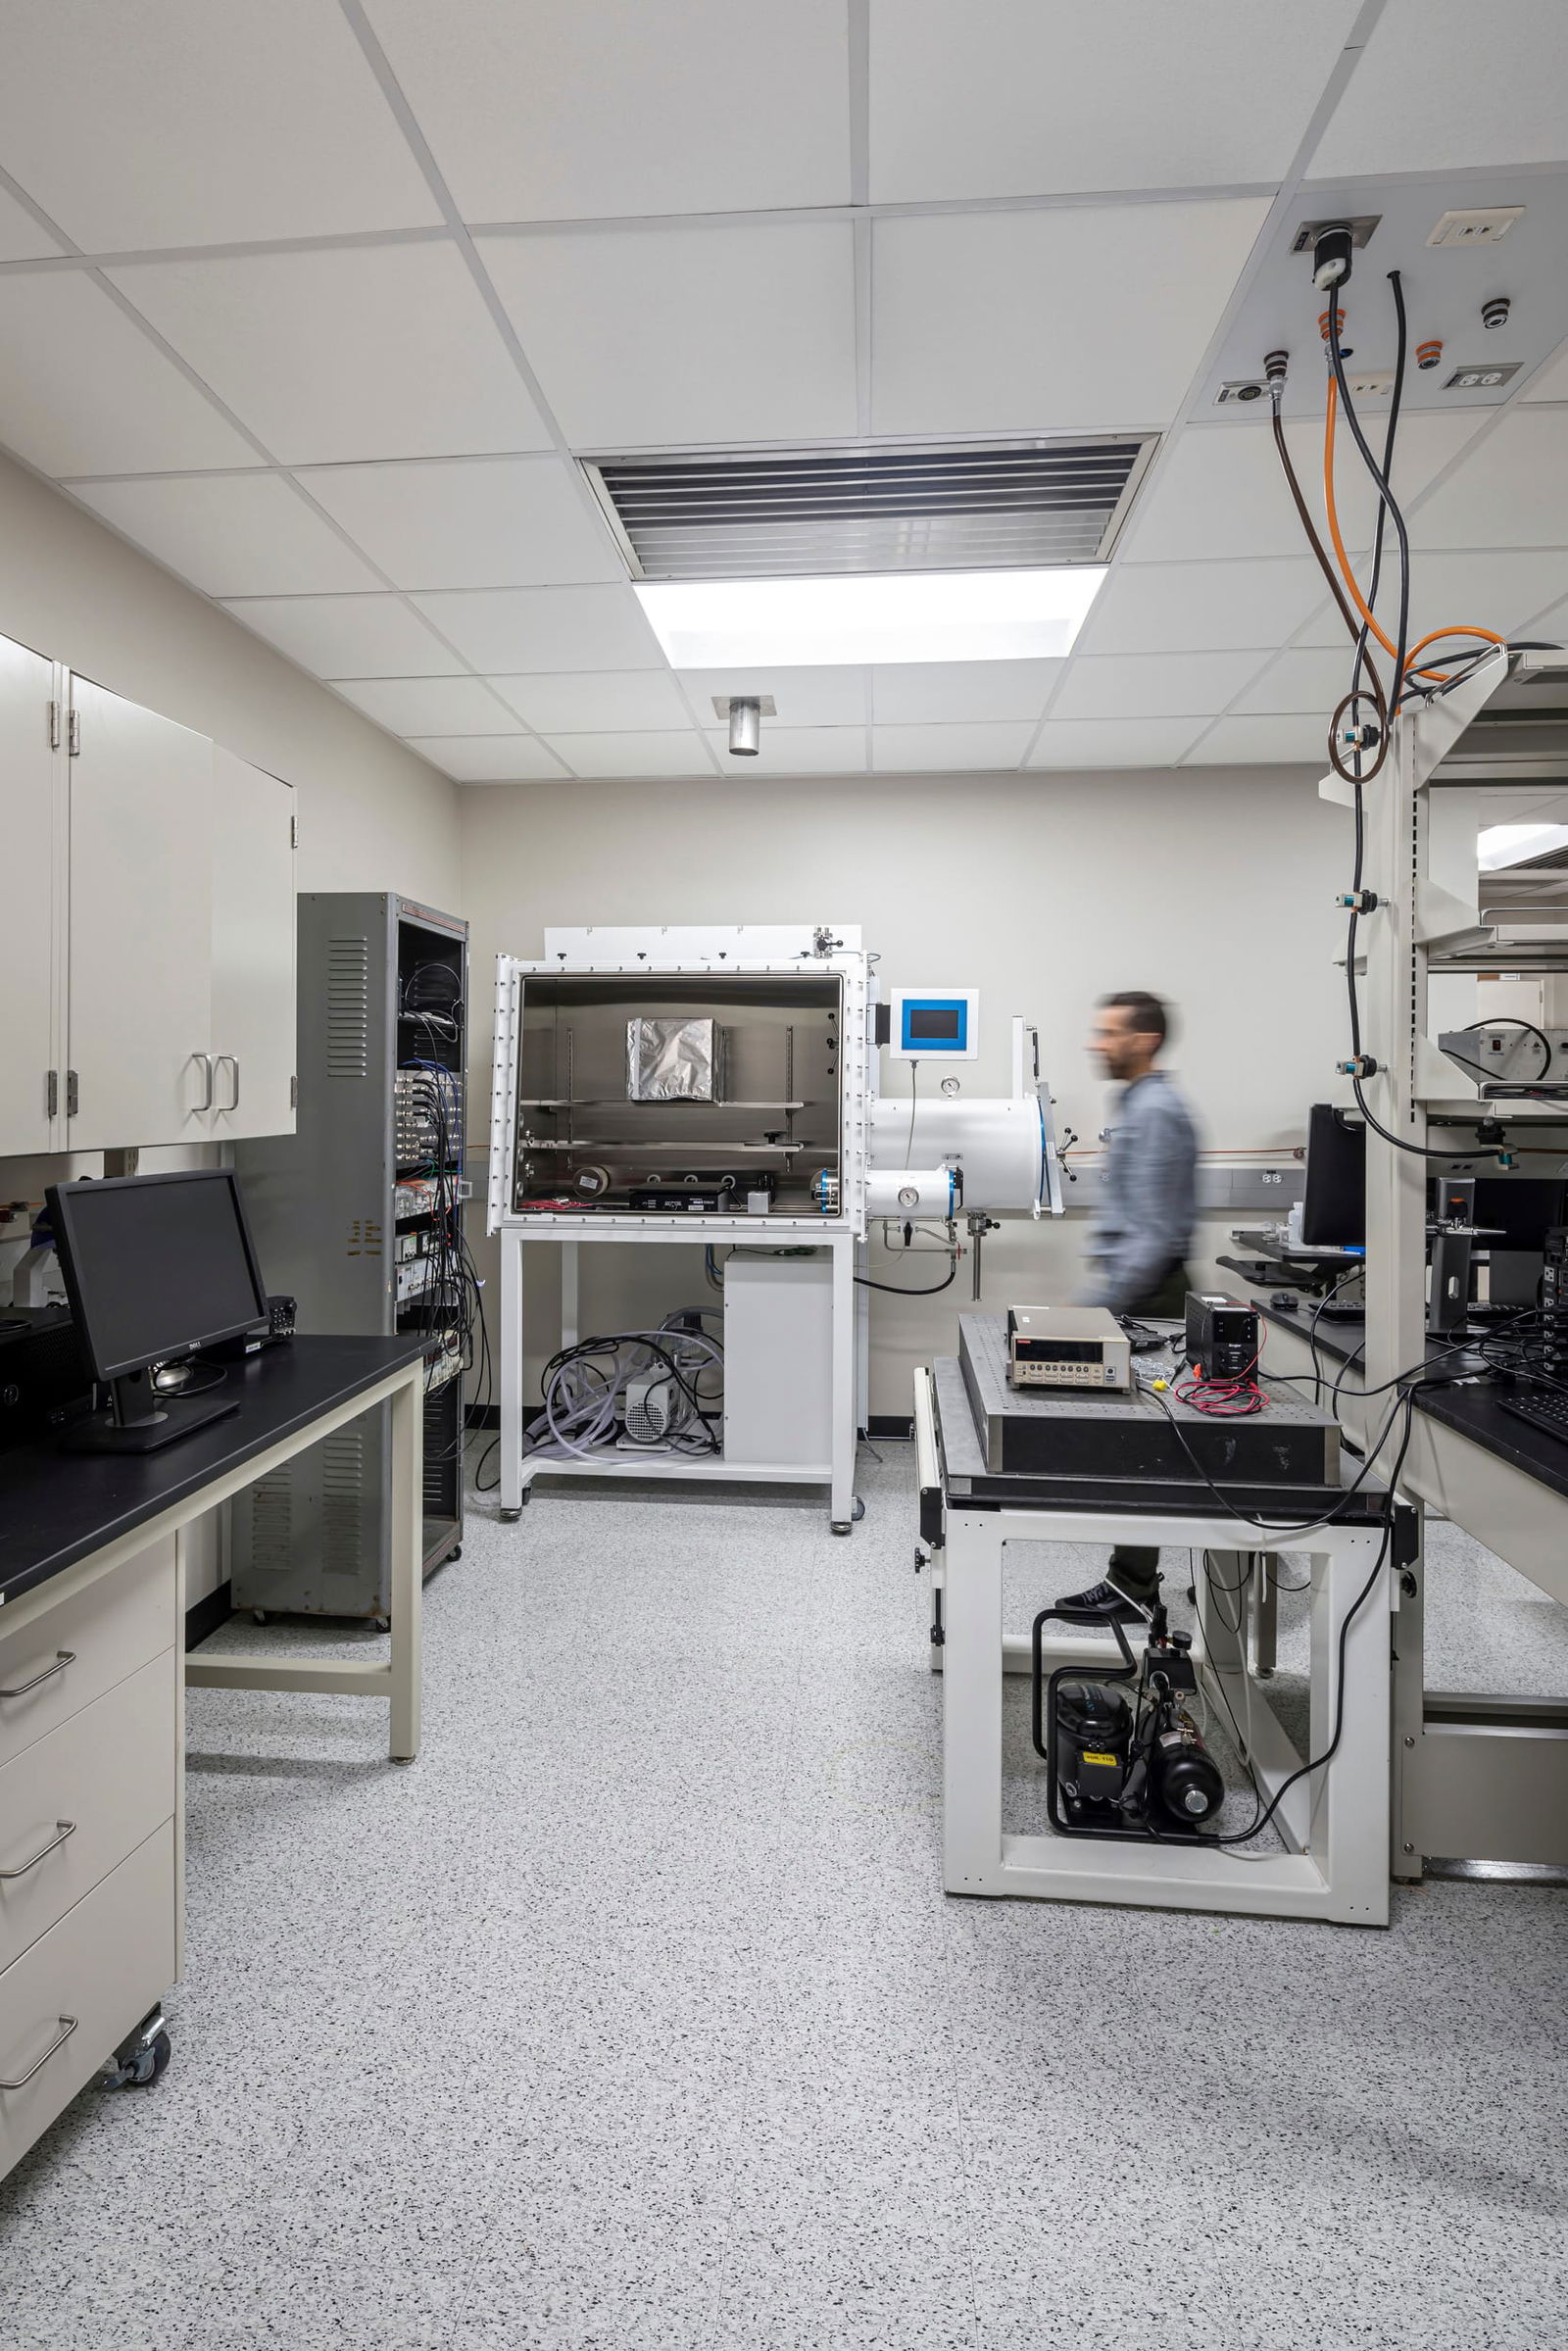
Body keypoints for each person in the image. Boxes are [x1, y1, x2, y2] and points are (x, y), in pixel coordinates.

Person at [1056, 990, 1199, 1625]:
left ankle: (1132, 1584)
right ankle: (1132, 1578)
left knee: (1146, 1445)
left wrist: (1091, 1311)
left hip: (1152, 1295)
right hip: (1137, 1290)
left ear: (1143, 1040)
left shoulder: (1158, 1111)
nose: (1096, 1043)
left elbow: (1153, 1233)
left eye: (1108, 1032)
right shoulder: (1138, 1103)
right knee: (1141, 1444)